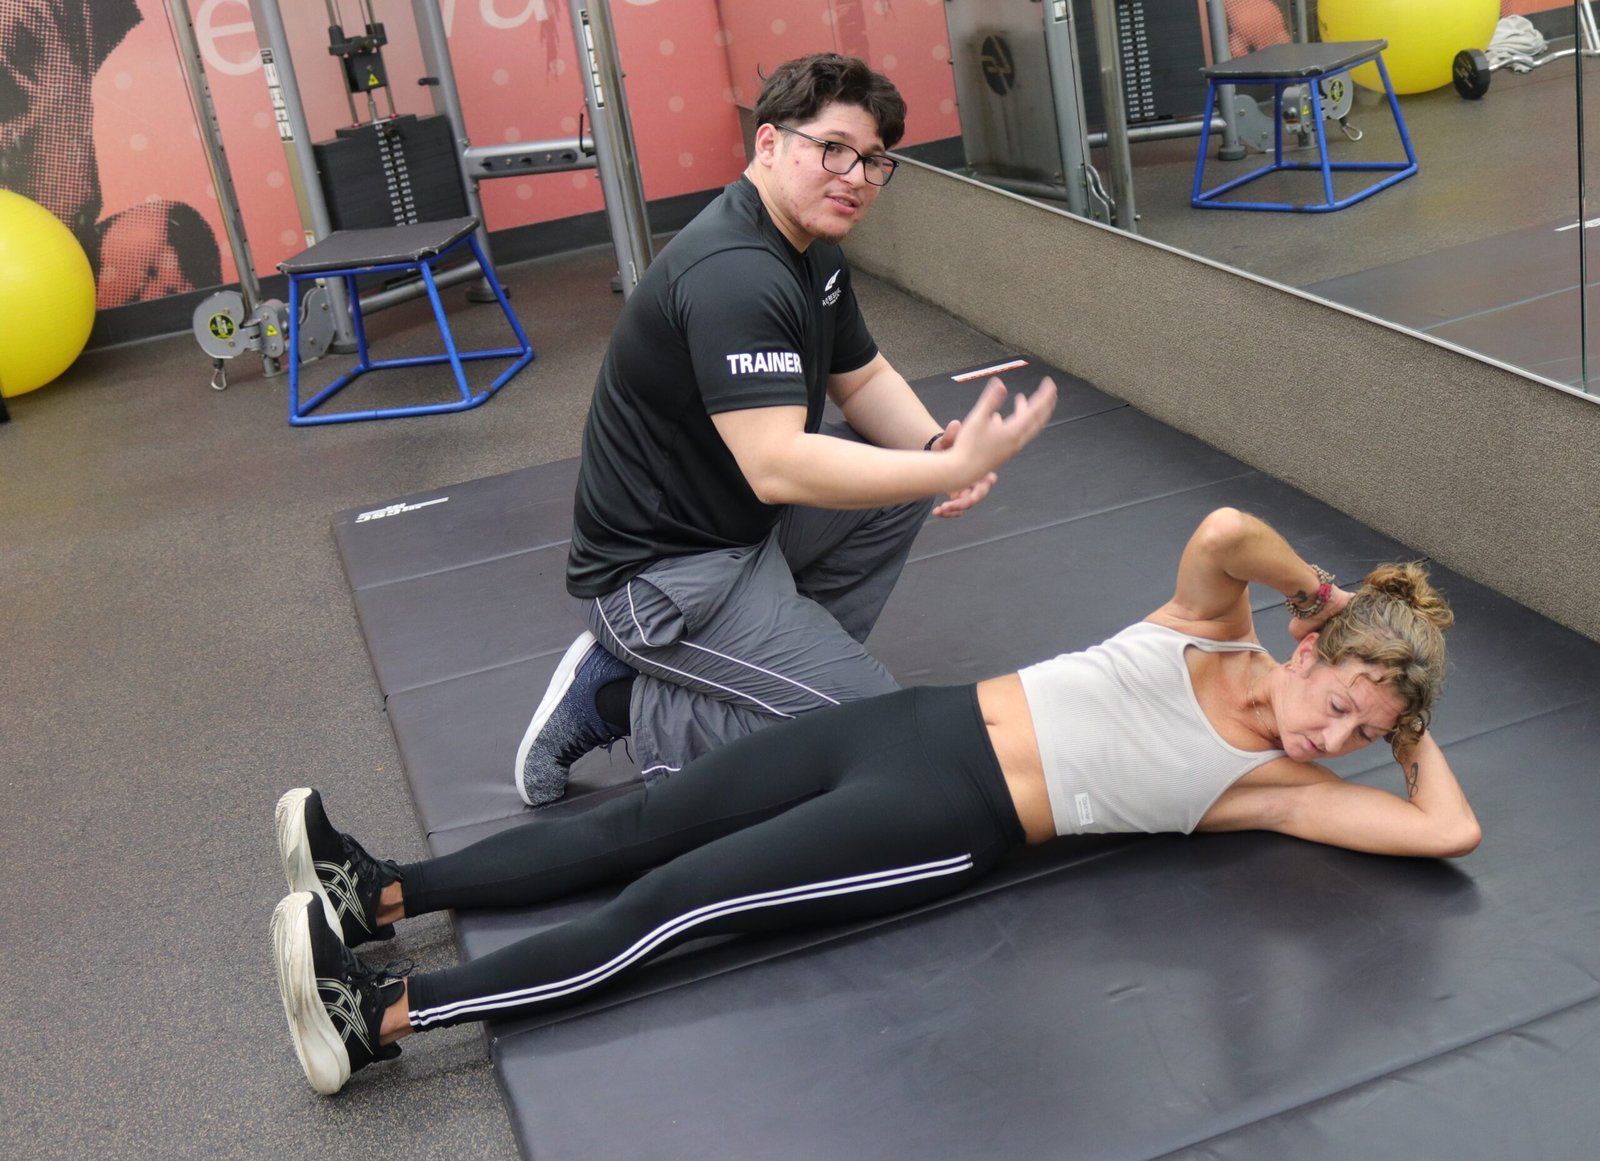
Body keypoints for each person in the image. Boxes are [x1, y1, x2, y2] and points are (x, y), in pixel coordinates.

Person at [270, 507, 1480, 1095]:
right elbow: (1223, 530)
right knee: (632, 822)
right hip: (909, 725)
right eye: (1341, 708)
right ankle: (379, 893)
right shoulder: (1211, 625)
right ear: (1307, 646)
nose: (1334, 742)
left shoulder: (1271, 789)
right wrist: (1317, 587)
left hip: (946, 820)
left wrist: (1408, 723)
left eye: (1362, 740)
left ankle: (380, 1017)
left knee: (671, 900)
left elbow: (1446, 829)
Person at [514, 52, 1058, 807]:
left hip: (742, 534)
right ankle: (613, 698)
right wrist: (946, 470)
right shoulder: (734, 271)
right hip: (658, 579)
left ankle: (762, 674)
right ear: (768, 143)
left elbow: (860, 378)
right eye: (833, 149)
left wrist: (939, 448)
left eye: (873, 160)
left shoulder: (812, 251)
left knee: (898, 474)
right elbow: (776, 465)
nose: (855, 176)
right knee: (872, 735)